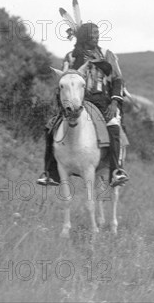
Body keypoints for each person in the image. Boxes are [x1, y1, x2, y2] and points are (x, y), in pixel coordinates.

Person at [37, 22, 130, 188]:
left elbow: (117, 80)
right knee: (50, 128)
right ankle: (50, 173)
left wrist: (114, 102)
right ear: (85, 36)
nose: (97, 36)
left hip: (102, 102)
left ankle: (116, 171)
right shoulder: (71, 57)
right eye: (93, 33)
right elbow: (64, 81)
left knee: (114, 127)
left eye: (98, 33)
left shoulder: (106, 55)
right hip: (76, 101)